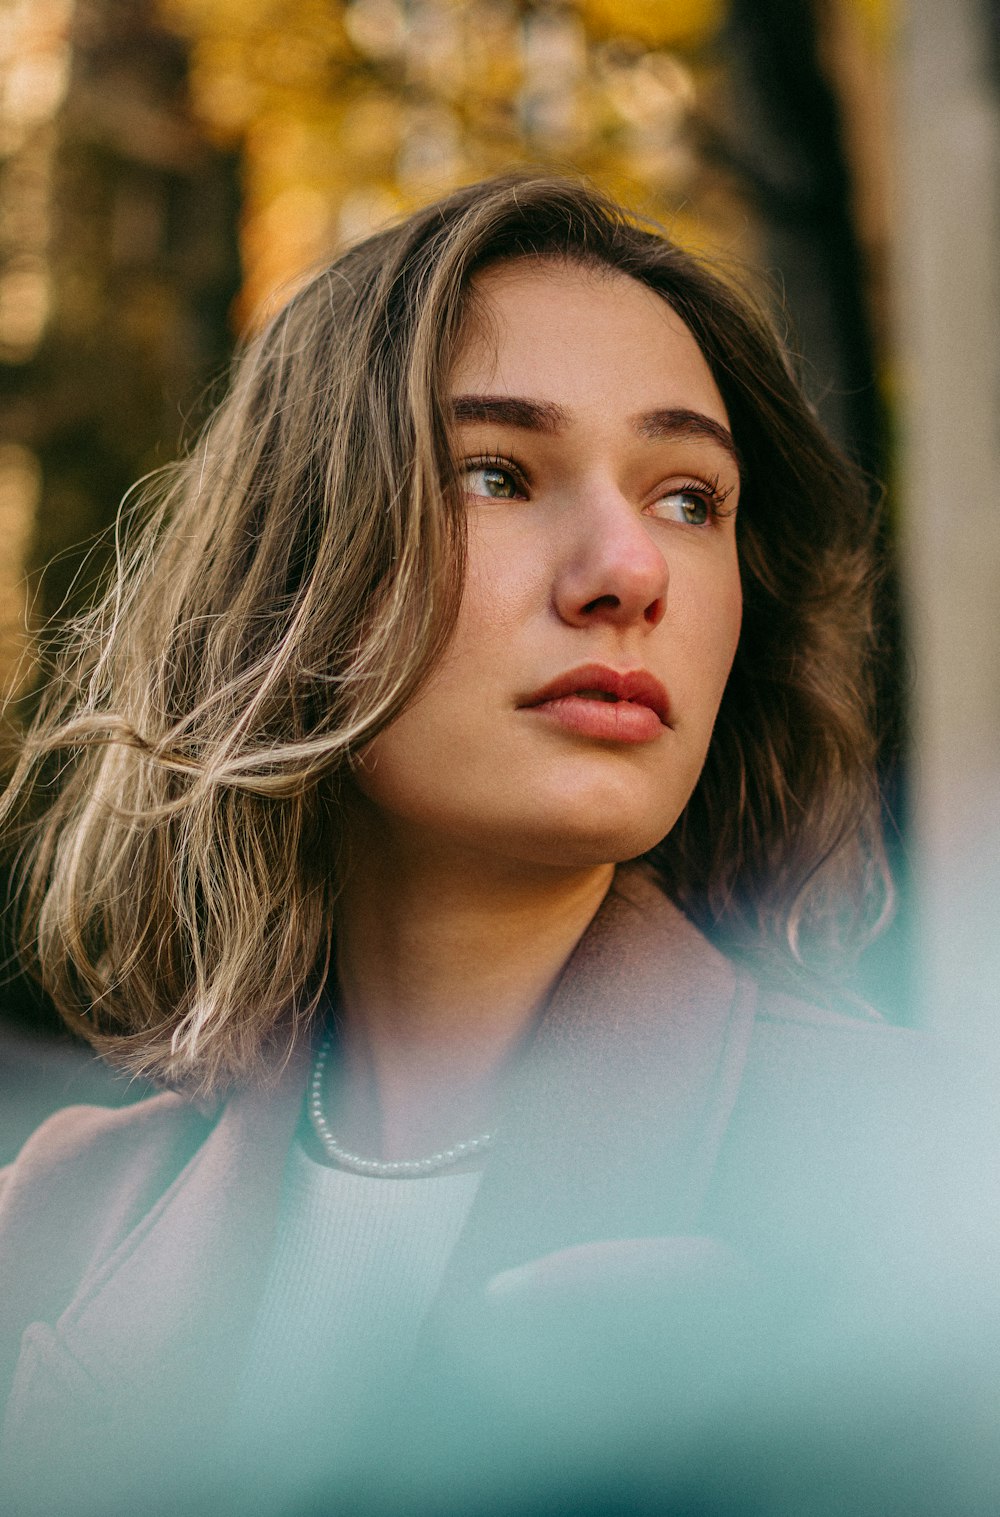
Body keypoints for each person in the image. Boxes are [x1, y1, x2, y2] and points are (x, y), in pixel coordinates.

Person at [0, 173, 996, 1516]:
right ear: (299, 568)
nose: (628, 569)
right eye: (498, 471)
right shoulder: (63, 1217)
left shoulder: (926, 1184)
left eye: (690, 497)